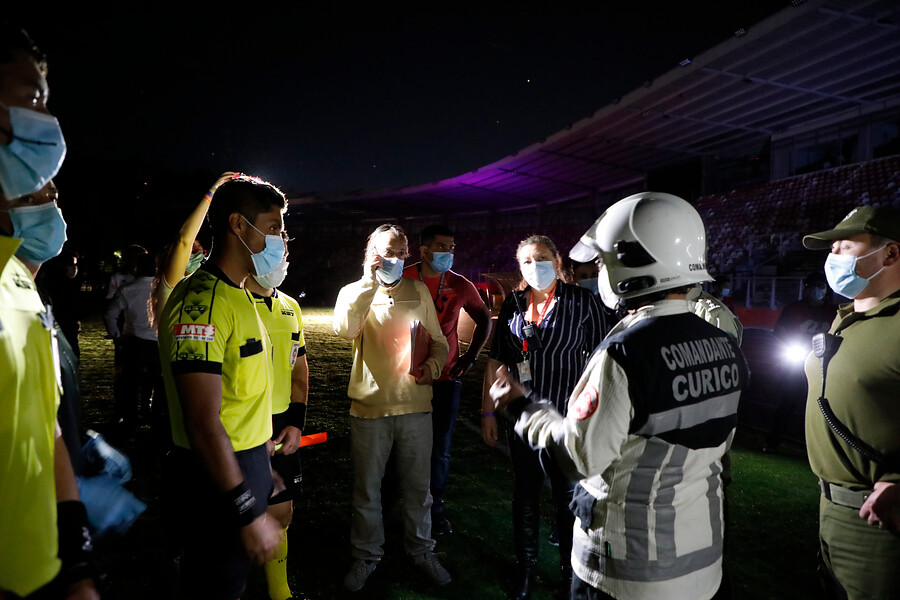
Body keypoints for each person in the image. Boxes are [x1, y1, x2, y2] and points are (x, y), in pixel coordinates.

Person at [491, 192, 748, 600]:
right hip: (702, 560)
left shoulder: (625, 352)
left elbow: (579, 458)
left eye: (602, 261)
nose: (599, 271)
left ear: (633, 263)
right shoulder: (723, 341)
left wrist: (522, 408)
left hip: (628, 566)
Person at [0, 24, 99, 599]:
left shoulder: (16, 277)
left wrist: (77, 566)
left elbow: (46, 427)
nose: (46, 123)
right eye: (31, 101)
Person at [158, 175, 287, 599]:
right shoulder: (202, 302)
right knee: (214, 586)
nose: (281, 241)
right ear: (237, 225)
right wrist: (245, 509)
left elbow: (240, 398)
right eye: (273, 228)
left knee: (232, 583)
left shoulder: (240, 295)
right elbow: (201, 421)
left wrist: (262, 469)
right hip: (213, 481)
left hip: (243, 465)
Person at [482, 234, 606, 599]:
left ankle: (570, 573)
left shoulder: (582, 302)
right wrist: (488, 411)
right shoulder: (513, 304)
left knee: (567, 497)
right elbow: (497, 360)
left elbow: (602, 359)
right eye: (526, 261)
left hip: (566, 420)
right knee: (526, 494)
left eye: (540, 258)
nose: (534, 266)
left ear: (557, 261)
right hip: (521, 420)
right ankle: (526, 570)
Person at [333, 224, 451, 592]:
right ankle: (366, 555)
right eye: (389, 252)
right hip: (370, 409)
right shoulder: (352, 292)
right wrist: (369, 283)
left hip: (416, 408)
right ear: (372, 253)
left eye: (401, 253)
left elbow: (440, 343)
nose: (396, 259)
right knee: (367, 490)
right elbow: (344, 329)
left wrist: (432, 367)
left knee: (418, 490)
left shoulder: (417, 291)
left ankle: (421, 550)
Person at [800, 205, 900, 599]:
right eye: (831, 249)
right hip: (829, 507)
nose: (833, 256)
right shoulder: (844, 317)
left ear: (890, 254)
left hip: (880, 520)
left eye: (844, 246)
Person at [401, 224, 492, 535]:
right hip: (407, 378)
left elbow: (484, 318)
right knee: (403, 446)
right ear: (424, 251)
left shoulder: (460, 284)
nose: (449, 252)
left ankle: (435, 510)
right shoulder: (404, 277)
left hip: (446, 377)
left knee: (439, 448)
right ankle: (398, 505)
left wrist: (471, 356)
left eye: (452, 247)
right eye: (442, 246)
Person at [245, 256, 310, 600]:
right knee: (235, 512)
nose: (281, 260)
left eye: (285, 253)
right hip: (240, 425)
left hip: (280, 424)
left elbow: (299, 370)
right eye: (274, 244)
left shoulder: (290, 306)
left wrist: (296, 423)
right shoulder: (233, 301)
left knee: (281, 513)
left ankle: (279, 593)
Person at [149, 171, 237, 330]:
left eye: (199, 250)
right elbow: (184, 239)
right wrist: (213, 191)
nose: (198, 252)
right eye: (192, 251)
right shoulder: (172, 286)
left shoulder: (206, 285)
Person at [764, 272, 835, 453]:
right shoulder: (793, 310)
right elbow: (779, 334)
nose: (818, 290)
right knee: (787, 403)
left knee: (823, 409)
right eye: (814, 286)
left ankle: (821, 450)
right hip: (797, 365)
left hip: (823, 368)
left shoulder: (833, 312)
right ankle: (773, 442)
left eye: (821, 286)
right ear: (806, 288)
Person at [104, 252, 159, 428]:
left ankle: (131, 421)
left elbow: (110, 314)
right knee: (157, 383)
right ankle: (154, 418)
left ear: (138, 268)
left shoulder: (128, 289)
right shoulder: (164, 288)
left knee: (131, 385)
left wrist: (117, 335)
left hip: (134, 342)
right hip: (158, 343)